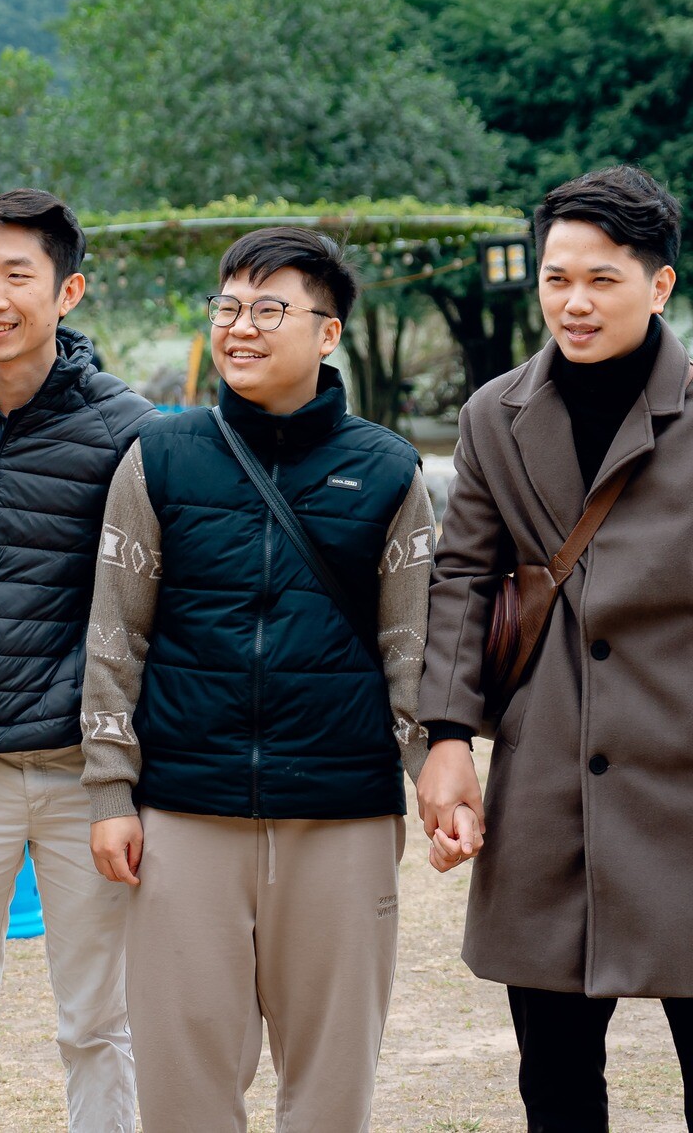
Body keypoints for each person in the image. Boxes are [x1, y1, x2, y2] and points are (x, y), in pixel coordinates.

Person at [415, 164, 693, 1132]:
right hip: (544, 773)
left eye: (602, 279)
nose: (574, 301)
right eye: (556, 278)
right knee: (554, 1076)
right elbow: (461, 582)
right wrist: (445, 737)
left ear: (659, 284)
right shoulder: (492, 416)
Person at [80, 225, 437, 1133]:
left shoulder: (388, 469)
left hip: (342, 816)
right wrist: (111, 789)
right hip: (184, 811)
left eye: (269, 309)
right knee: (182, 1081)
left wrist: (434, 769)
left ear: (327, 332)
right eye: (228, 307)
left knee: (332, 1080)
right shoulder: (158, 457)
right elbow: (116, 638)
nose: (240, 327)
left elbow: (412, 648)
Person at [0, 189, 156, 1132]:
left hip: (79, 769)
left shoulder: (127, 426)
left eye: (18, 275)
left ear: (68, 292)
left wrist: (121, 771)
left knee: (98, 1018)